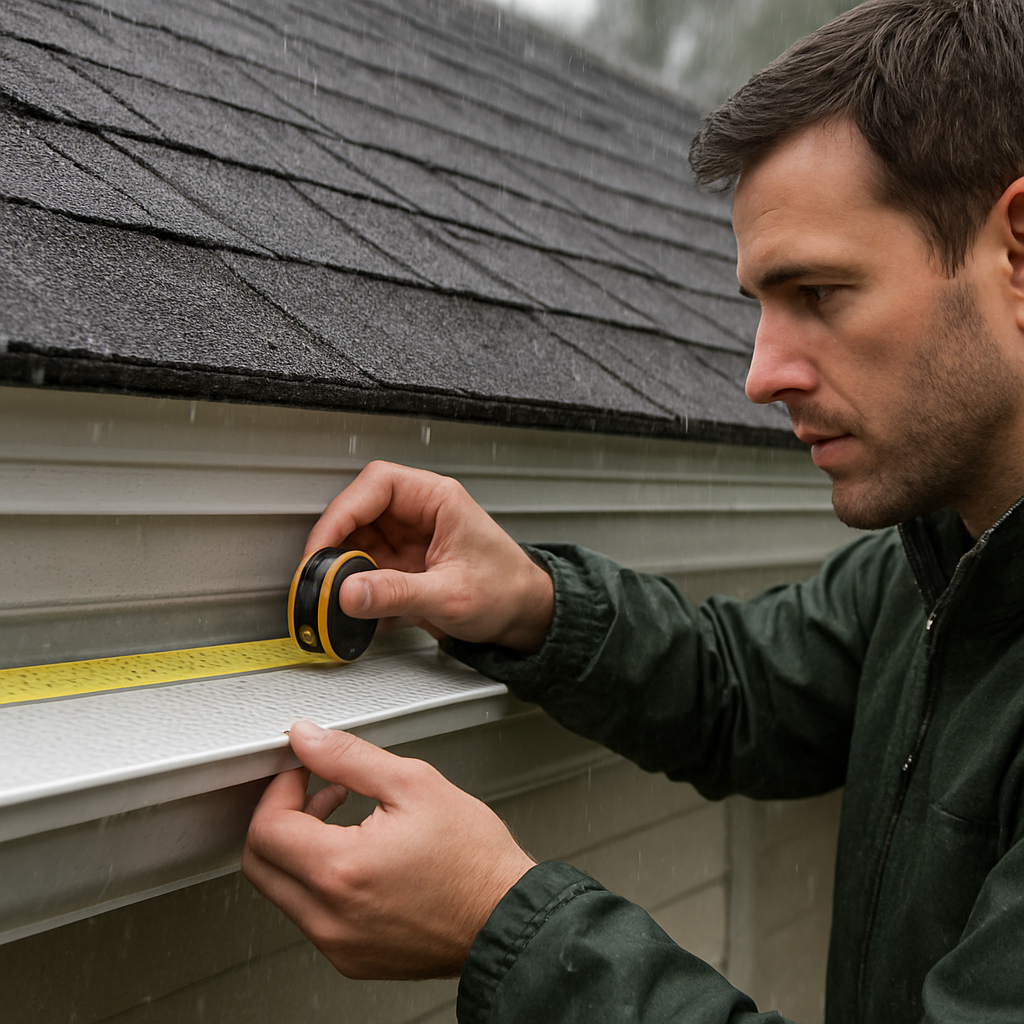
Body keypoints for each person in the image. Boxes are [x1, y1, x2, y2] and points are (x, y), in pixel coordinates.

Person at [241, 1, 1024, 1021]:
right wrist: (532, 604)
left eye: (819, 294)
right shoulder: (940, 556)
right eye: (758, 304)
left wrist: (503, 927)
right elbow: (744, 691)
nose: (760, 374)